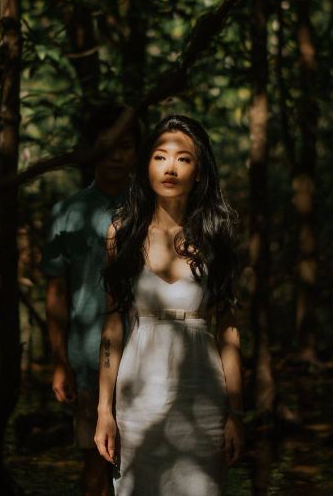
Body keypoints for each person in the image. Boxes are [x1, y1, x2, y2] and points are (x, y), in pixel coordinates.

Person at [94, 115, 244, 496]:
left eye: (184, 159)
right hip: (137, 393)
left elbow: (228, 329)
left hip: (202, 392)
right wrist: (103, 411)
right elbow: (112, 324)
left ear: (200, 170)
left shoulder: (216, 235)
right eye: (160, 157)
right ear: (146, 166)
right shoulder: (122, 232)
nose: (170, 168)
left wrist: (235, 413)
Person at [42, 105, 139, 496]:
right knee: (95, 465)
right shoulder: (67, 213)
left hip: (145, 355)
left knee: (144, 466)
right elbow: (56, 292)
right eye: (106, 147)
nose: (116, 156)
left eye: (125, 147)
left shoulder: (150, 210)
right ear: (90, 151)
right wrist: (60, 361)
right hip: (86, 359)